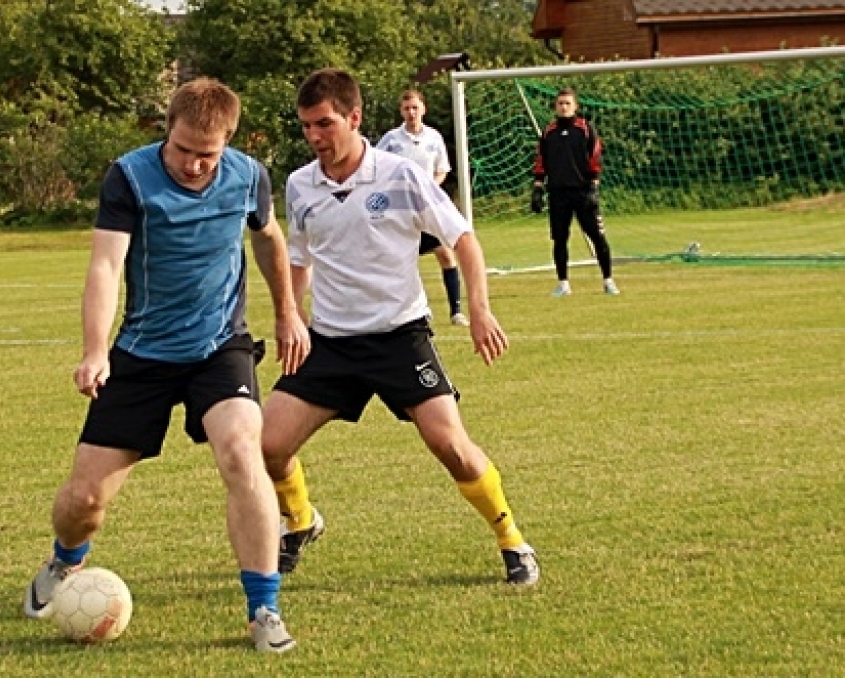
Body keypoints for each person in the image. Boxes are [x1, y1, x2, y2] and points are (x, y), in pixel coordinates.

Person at [21, 78, 311, 653]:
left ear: (227, 142)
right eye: (183, 150)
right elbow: (106, 265)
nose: (195, 165)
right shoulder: (129, 176)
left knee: (240, 451)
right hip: (142, 353)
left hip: (219, 349)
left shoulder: (249, 176)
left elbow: (269, 239)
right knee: (84, 503)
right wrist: (95, 348)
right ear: (168, 131)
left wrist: (288, 314)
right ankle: (65, 559)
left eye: (208, 154)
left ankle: (263, 608)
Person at [262, 68, 539, 586]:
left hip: (399, 337)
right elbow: (298, 258)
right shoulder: (300, 185)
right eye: (306, 127)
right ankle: (299, 521)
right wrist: (290, 314)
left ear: (354, 117)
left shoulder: (401, 175)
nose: (315, 137)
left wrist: (479, 309)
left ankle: (512, 539)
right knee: (267, 445)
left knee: (450, 445)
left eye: (324, 124)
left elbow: (464, 240)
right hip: (331, 343)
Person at [377, 90, 469, 326]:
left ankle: (456, 310)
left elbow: (442, 169)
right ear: (401, 111)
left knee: (446, 255)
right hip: (400, 210)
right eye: (407, 108)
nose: (411, 113)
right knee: (400, 260)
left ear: (423, 109)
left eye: (415, 108)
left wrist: (428, 188)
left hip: (427, 208)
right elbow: (377, 168)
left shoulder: (434, 138)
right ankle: (407, 311)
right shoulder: (391, 140)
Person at [532, 87, 619, 297]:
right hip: (558, 194)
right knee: (559, 239)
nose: (563, 107)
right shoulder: (548, 132)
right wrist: (537, 188)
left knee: (597, 237)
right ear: (556, 106)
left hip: (583, 192)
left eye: (567, 103)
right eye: (560, 103)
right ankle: (563, 283)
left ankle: (608, 280)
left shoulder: (585, 129)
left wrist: (593, 186)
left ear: (575, 106)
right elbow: (540, 161)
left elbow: (595, 156)